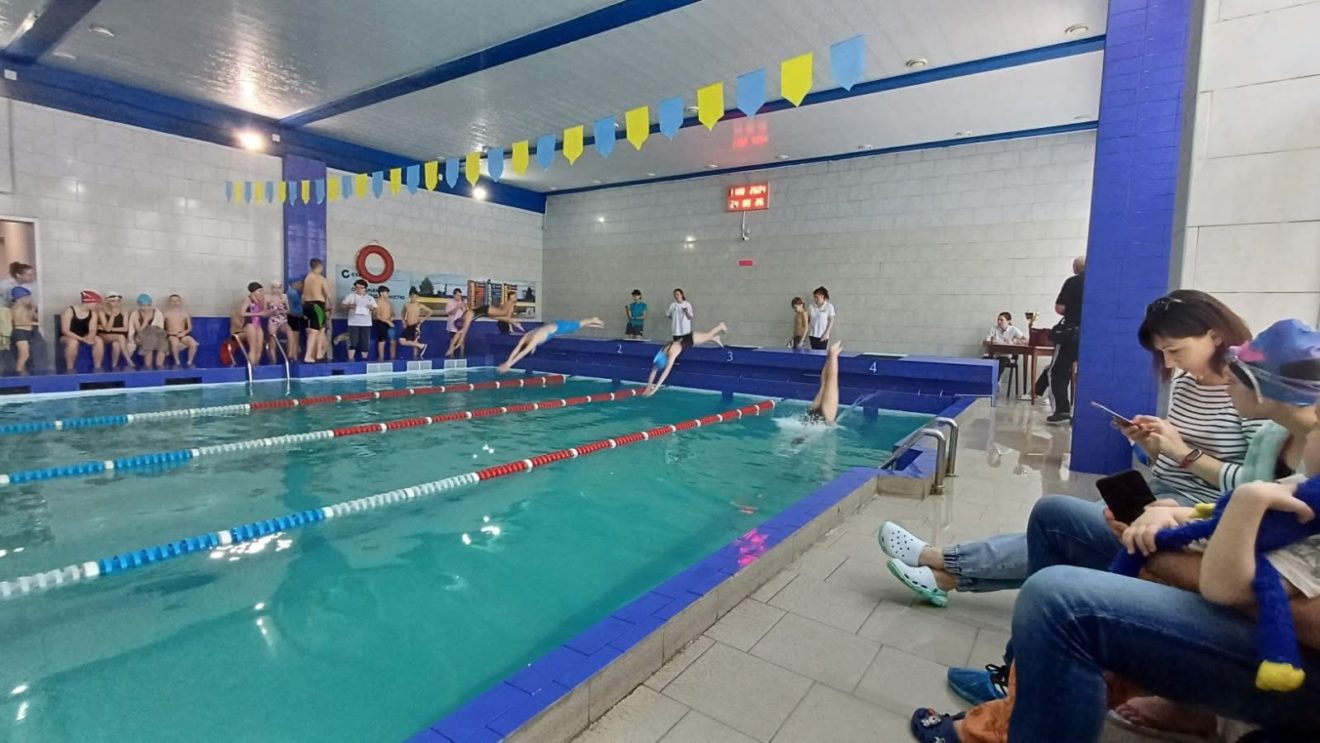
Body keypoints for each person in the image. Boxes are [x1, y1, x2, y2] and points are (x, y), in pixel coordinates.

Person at [915, 392, 1320, 743]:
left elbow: (1236, 584)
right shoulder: (1286, 460)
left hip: (1285, 657)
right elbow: (1230, 512)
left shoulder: (1276, 449)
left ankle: (947, 566)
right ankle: (1019, 684)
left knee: (1057, 599)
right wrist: (1174, 512)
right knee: (1054, 515)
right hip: (1211, 539)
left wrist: (1157, 550)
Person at [880, 291, 1259, 610]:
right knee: (1065, 526)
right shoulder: (1189, 385)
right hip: (1157, 494)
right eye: (1163, 353)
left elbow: (1260, 488)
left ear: (1214, 335)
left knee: (1058, 522)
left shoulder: (1249, 392)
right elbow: (1172, 459)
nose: (1170, 363)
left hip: (1194, 513)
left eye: (1175, 350)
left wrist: (1185, 454)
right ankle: (944, 575)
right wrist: (1150, 442)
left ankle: (941, 562)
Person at [1038, 256, 1085, 424]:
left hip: (1071, 334)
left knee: (1057, 372)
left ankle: (1062, 409)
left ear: (1076, 268)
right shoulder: (1100, 283)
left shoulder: (1073, 282)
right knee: (1086, 374)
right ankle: (1082, 412)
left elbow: (1060, 308)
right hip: (1093, 336)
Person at [644, 322, 728, 396]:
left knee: (707, 335)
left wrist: (655, 390)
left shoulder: (673, 352)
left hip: (692, 338)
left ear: (666, 361)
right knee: (705, 338)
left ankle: (720, 326)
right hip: (686, 339)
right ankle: (715, 338)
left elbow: (666, 373)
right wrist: (648, 387)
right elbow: (654, 370)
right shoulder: (663, 351)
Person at [497, 317, 603, 373]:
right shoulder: (526, 336)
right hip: (555, 327)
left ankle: (593, 319)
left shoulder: (534, 339)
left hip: (560, 327)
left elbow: (522, 352)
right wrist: (507, 362)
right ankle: (590, 323)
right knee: (576, 326)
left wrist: (509, 364)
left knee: (578, 325)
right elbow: (517, 349)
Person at [0, 261, 46, 373]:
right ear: (18, 275)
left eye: (33, 274)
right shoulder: (5, 286)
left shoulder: (27, 286)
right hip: (6, 316)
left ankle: (31, 370)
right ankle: (12, 371)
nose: (32, 277)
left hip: (21, 322)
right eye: (29, 275)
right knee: (11, 348)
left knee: (34, 347)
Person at [60, 291, 103, 372]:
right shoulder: (69, 311)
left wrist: (90, 337)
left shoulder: (93, 313)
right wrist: (82, 339)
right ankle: (70, 368)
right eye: (96, 303)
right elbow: (65, 330)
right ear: (89, 302)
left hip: (84, 335)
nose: (97, 306)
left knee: (98, 340)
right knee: (73, 342)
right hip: (68, 336)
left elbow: (93, 330)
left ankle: (97, 367)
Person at [128, 294, 168, 370]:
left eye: (147, 305)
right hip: (141, 335)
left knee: (163, 343)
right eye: (142, 306)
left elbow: (160, 328)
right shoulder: (135, 314)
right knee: (149, 341)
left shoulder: (157, 313)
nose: (144, 308)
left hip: (156, 334)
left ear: (150, 304)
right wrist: (146, 320)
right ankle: (148, 367)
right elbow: (139, 331)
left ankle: (160, 367)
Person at [301, 258, 329, 363]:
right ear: (320, 267)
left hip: (306, 305)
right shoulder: (320, 278)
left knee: (321, 329)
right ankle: (308, 356)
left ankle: (319, 353)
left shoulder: (307, 278)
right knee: (315, 331)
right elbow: (328, 294)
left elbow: (303, 296)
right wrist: (329, 307)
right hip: (317, 305)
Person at [341, 279, 377, 362]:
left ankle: (364, 360)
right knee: (353, 342)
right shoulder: (350, 296)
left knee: (365, 343)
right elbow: (342, 306)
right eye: (357, 287)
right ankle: (350, 360)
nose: (359, 289)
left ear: (365, 289)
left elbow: (376, 311)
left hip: (366, 323)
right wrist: (349, 306)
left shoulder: (370, 298)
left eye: (361, 287)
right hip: (353, 322)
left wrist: (372, 308)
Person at [232, 282, 267, 365]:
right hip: (250, 324)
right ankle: (251, 367)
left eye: (262, 291)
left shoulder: (260, 300)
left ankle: (256, 365)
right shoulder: (247, 300)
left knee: (259, 347)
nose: (261, 293)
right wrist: (257, 313)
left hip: (258, 325)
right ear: (253, 292)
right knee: (253, 347)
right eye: (259, 291)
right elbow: (242, 313)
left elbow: (264, 312)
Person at [983, 312, 1027, 379]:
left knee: (1000, 364)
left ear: (1008, 321)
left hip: (1004, 356)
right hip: (992, 355)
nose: (999, 322)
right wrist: (992, 342)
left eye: (1001, 320)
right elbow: (985, 342)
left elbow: (1026, 340)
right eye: (998, 319)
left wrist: (1014, 342)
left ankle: (994, 381)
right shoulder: (993, 329)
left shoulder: (1013, 329)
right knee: (983, 363)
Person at [97, 292, 134, 370]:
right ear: (107, 302)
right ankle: (128, 360)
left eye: (117, 301)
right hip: (105, 335)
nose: (116, 303)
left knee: (116, 344)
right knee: (120, 337)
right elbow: (107, 329)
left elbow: (125, 328)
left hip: (118, 335)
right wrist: (113, 316)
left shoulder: (124, 311)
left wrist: (107, 328)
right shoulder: (102, 311)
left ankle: (114, 365)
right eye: (113, 301)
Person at [163, 294, 199, 367]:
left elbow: (189, 328)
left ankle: (189, 362)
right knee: (175, 342)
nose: (175, 303)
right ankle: (177, 362)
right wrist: (169, 332)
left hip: (182, 334)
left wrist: (184, 332)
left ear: (180, 302)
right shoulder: (166, 314)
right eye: (173, 301)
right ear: (169, 303)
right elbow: (161, 328)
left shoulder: (185, 314)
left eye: (177, 301)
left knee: (193, 344)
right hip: (171, 334)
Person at [262, 281, 291, 364]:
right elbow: (264, 313)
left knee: (291, 332)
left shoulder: (284, 297)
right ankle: (273, 361)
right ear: (271, 289)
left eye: (278, 288)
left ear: (281, 289)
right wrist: (271, 312)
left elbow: (289, 310)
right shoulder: (267, 297)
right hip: (273, 320)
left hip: (283, 320)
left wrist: (283, 311)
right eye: (274, 288)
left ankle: (290, 356)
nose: (276, 290)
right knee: (273, 338)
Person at [9, 287, 36, 374]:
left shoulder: (25, 308)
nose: (29, 300)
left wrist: (32, 309)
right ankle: (18, 372)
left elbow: (30, 318)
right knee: (24, 355)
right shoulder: (17, 308)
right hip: (20, 333)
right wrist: (33, 323)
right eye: (27, 298)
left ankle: (22, 372)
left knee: (25, 355)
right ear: (20, 298)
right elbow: (18, 322)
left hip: (26, 333)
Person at [399, 288, 432, 358]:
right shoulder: (406, 305)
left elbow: (430, 311)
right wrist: (403, 322)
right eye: (413, 297)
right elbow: (402, 314)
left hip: (416, 326)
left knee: (415, 342)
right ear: (410, 296)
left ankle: (415, 358)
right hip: (408, 326)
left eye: (416, 297)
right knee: (402, 341)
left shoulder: (419, 305)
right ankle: (421, 346)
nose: (414, 299)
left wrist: (423, 319)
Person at [374, 286, 397, 361]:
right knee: (382, 340)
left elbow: (393, 313)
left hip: (390, 323)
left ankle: (393, 358)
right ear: (381, 293)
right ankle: (381, 358)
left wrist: (392, 317)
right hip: (382, 323)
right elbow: (377, 316)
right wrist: (387, 321)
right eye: (386, 293)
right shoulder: (377, 302)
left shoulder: (389, 302)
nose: (388, 294)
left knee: (393, 340)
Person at [285, 278, 305, 361]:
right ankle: (293, 356)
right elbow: (291, 307)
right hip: (293, 317)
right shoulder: (292, 293)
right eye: (300, 283)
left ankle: (293, 356)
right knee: (294, 337)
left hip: (294, 317)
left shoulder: (294, 293)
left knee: (294, 337)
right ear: (294, 283)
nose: (301, 285)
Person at [444, 288, 467, 358]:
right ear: (454, 295)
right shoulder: (450, 302)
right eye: (457, 295)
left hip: (461, 325)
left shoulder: (463, 302)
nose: (459, 297)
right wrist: (457, 306)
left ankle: (462, 356)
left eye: (460, 295)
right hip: (452, 326)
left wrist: (464, 307)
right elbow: (450, 313)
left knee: (462, 341)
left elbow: (466, 313)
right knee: (452, 341)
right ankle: (451, 357)